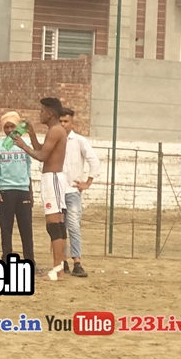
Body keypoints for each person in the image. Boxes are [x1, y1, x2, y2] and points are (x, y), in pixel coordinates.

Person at [14, 98, 70, 281]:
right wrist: (31, 135)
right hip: (52, 178)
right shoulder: (54, 131)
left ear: (50, 113)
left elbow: (41, 156)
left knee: (54, 225)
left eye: (42, 111)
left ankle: (58, 270)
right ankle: (59, 267)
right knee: (57, 224)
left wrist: (23, 146)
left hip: (52, 178)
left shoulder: (55, 130)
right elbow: (41, 150)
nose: (40, 114)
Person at [58, 107, 101, 278]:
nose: (63, 124)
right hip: (57, 190)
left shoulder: (80, 141)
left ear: (72, 122)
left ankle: (77, 262)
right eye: (60, 121)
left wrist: (88, 182)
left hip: (72, 190)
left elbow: (94, 161)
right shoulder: (54, 139)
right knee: (59, 228)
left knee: (73, 226)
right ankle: (62, 261)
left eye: (66, 121)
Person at [0, 111, 34, 263]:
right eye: (6, 127)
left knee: (26, 229)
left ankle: (30, 261)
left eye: (12, 126)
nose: (9, 130)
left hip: (23, 191)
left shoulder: (25, 145)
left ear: (18, 127)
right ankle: (6, 260)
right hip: (5, 191)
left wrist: (30, 192)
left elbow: (28, 169)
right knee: (6, 229)